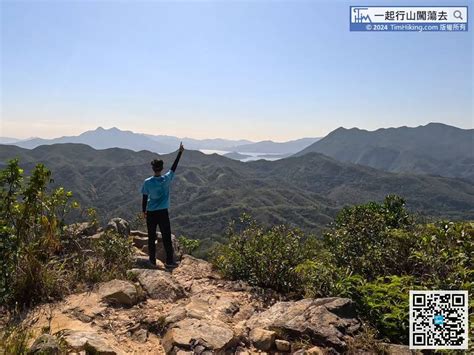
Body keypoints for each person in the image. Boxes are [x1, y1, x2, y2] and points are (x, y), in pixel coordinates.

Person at [141, 142, 184, 269]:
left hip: (151, 212)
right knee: (166, 236)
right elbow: (174, 167)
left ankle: (152, 261)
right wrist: (180, 152)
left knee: (151, 236)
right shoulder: (167, 179)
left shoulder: (147, 182)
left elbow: (144, 197)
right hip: (163, 212)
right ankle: (169, 262)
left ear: (153, 168)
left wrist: (144, 211)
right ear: (162, 168)